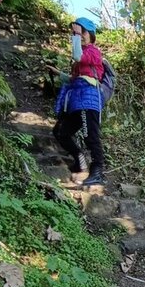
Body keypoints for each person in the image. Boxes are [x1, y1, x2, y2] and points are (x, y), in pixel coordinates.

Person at [52, 17, 106, 186]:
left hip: (89, 100)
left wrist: (75, 36)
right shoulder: (82, 56)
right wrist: (57, 73)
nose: (80, 35)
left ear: (91, 34)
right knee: (61, 132)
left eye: (83, 32)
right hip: (77, 100)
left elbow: (77, 55)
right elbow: (74, 78)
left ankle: (97, 172)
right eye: (77, 32)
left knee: (91, 136)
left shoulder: (93, 52)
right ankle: (80, 159)